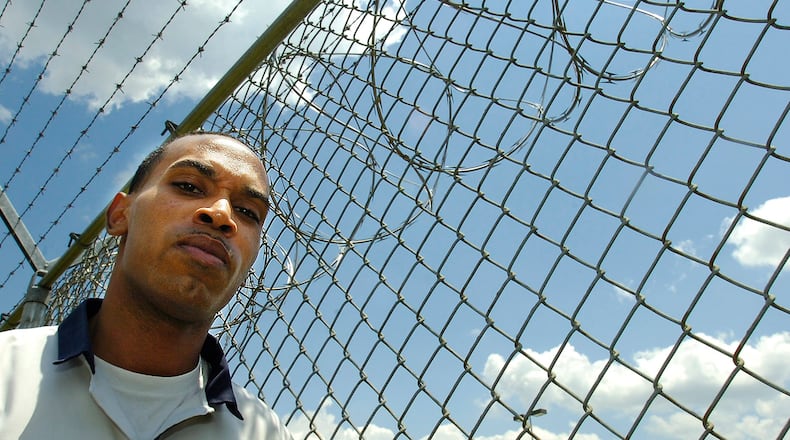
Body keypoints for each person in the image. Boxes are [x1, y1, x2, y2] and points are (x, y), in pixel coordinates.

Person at [0, 132, 293, 439]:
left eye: (248, 212)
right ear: (119, 215)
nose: (221, 214)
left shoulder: (262, 431)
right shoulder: (9, 366)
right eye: (189, 186)